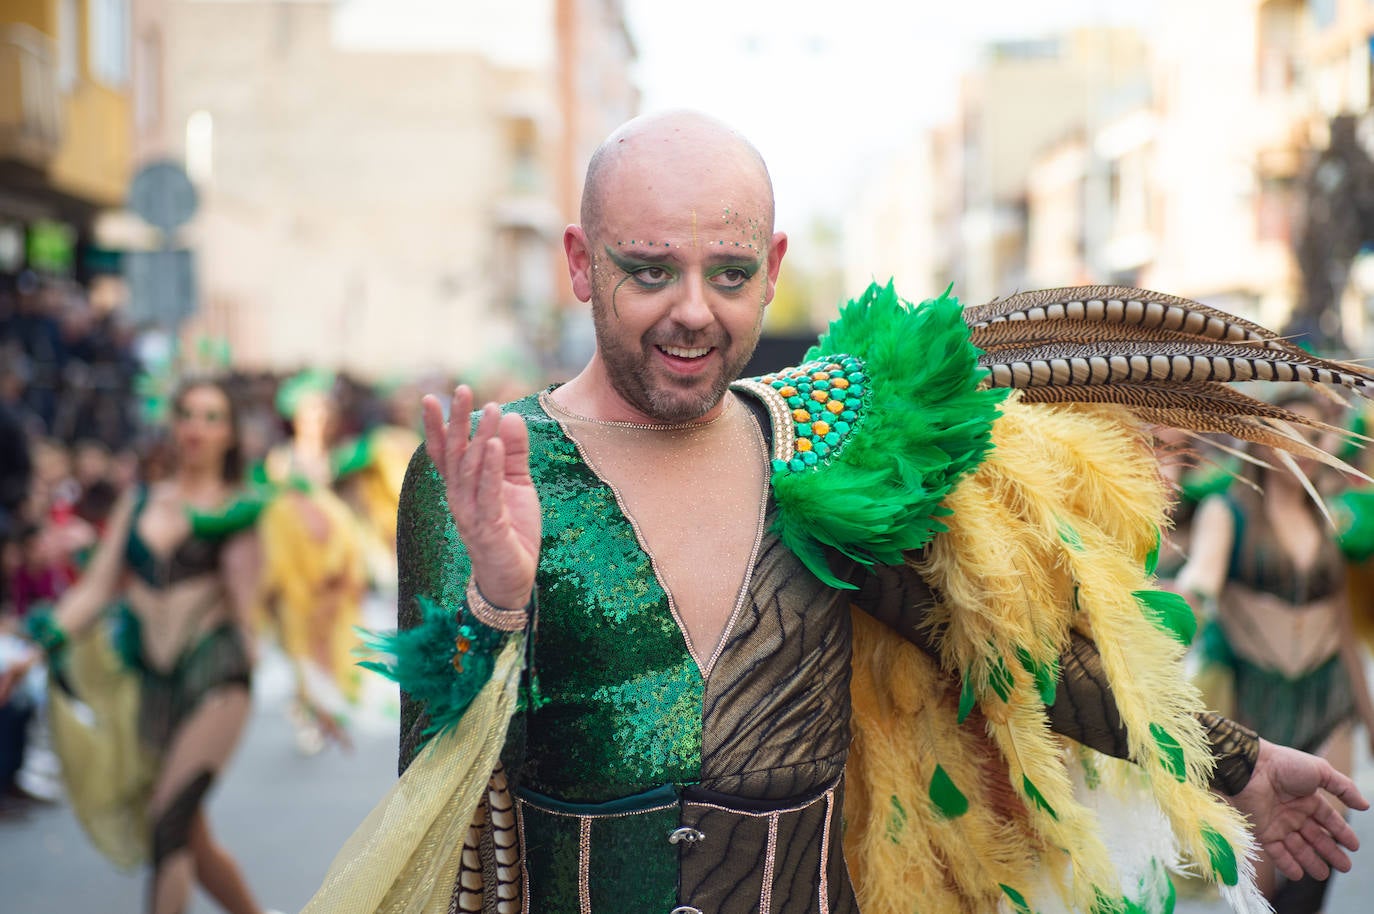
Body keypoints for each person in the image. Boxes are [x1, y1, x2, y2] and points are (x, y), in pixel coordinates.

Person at [306, 111, 1370, 914]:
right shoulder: (488, 470)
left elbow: (1004, 656)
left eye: (727, 272)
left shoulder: (819, 450)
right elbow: (433, 800)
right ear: (583, 264)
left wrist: (1238, 758)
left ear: (771, 275)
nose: (693, 307)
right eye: (648, 269)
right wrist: (496, 606)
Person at [0, 379, 281, 914]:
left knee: (167, 820)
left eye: (211, 416)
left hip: (214, 677)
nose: (197, 427)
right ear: (174, 426)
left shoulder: (240, 508)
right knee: (188, 836)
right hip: (152, 683)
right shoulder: (141, 501)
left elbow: (250, 604)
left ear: (229, 434)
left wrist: (282, 666)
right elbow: (94, 590)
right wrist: (31, 652)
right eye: (188, 414)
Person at [1175, 392, 1374, 911]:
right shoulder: (1227, 510)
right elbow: (1202, 576)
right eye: (1288, 432)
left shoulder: (1331, 516)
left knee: (1320, 854)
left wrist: (1368, 716)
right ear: (1261, 441)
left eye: (1311, 433)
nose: (1302, 446)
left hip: (1328, 700)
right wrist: (1180, 607)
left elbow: (1340, 626)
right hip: (1252, 705)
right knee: (1261, 879)